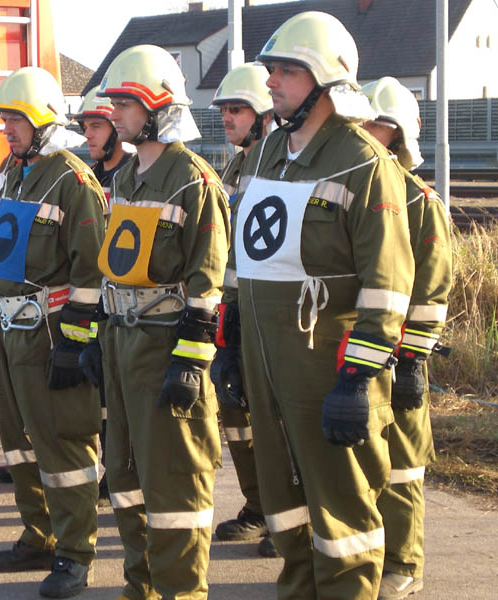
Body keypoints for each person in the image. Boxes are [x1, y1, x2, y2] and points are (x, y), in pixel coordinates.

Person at [228, 12, 415, 598]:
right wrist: (229, 341)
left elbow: (387, 288)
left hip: (326, 369)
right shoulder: (263, 154)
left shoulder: (365, 164)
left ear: (327, 79)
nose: (271, 82)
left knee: (343, 514)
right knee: (283, 507)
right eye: (271, 70)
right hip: (265, 368)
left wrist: (357, 379)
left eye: (287, 70)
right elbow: (241, 258)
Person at [92, 44, 230, 600]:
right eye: (115, 103)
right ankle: (141, 585)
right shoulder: (124, 178)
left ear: (159, 108)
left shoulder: (193, 180)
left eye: (125, 104)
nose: (115, 114)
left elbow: (208, 281)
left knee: (174, 481)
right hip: (121, 345)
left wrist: (190, 361)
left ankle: (181, 591)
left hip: (165, 350)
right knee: (124, 477)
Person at [0, 66, 106, 598]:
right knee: (18, 443)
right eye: (5, 119)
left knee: (62, 445)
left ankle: (76, 553)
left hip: (49, 335)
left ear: (44, 122)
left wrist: (74, 343)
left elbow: (91, 273)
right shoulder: (12, 173)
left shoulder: (74, 181)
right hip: (8, 331)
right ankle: (39, 534)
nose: (7, 129)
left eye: (16, 119)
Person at [361, 76, 452, 600]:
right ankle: (370, 556)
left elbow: (431, 291)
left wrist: (413, 359)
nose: (363, 131)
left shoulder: (420, 202)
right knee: (364, 460)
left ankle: (404, 563)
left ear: (396, 132)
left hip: (397, 356)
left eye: (374, 123)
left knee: (401, 465)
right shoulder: (356, 188)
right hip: (355, 349)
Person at [207, 63, 278, 558]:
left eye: (237, 109)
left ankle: (290, 517)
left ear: (265, 116)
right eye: (225, 110)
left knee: (276, 421)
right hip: (233, 311)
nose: (227, 118)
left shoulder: (279, 164)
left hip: (267, 315)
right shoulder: (236, 166)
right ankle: (259, 505)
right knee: (236, 412)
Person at [71, 86, 132, 507]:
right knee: (96, 391)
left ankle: (120, 468)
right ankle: (106, 464)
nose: (88, 135)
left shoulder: (133, 174)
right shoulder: (87, 178)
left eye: (96, 125)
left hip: (122, 304)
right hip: (91, 300)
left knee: (117, 397)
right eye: (85, 127)